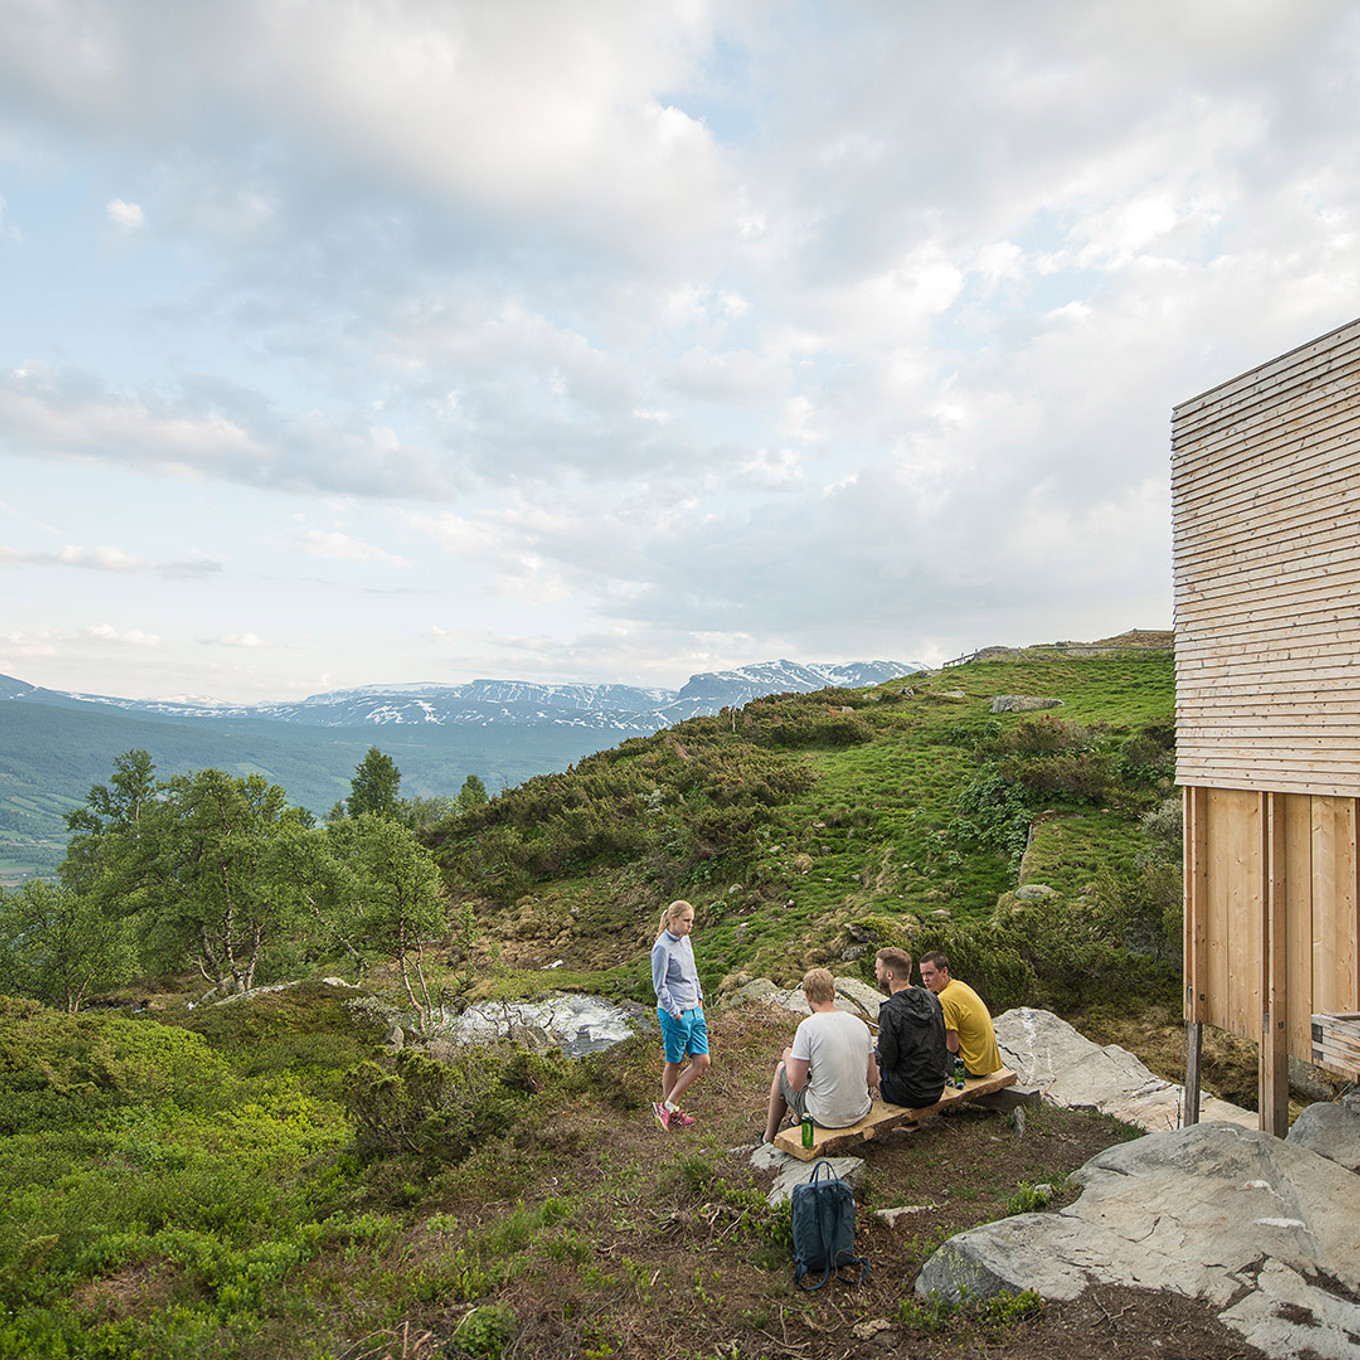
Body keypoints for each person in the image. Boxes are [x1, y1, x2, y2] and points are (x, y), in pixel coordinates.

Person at [763, 968, 878, 1144]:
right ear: (833, 992)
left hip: (824, 1117)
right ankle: (795, 1121)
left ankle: (768, 1137)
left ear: (807, 995)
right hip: (860, 1111)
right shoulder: (859, 1024)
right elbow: (872, 1079)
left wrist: (788, 1059)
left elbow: (795, 1084)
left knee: (782, 1070)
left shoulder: (808, 1027)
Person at [650, 899, 710, 1131]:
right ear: (672, 919)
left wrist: (700, 999)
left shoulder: (686, 940)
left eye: (691, 921)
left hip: (694, 1010)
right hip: (675, 1014)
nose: (690, 926)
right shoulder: (661, 947)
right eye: (686, 921)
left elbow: (693, 972)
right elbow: (660, 986)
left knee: (702, 1061)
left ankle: (666, 1106)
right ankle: (671, 1112)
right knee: (674, 1062)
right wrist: (676, 1014)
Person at [873, 947, 948, 1107]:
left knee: (868, 1060)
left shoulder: (890, 1010)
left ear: (889, 975)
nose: (875, 973)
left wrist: (874, 1053)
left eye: (878, 969)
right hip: (936, 1087)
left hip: (908, 1093)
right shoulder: (931, 998)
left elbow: (888, 1061)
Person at [918, 950, 1003, 1077]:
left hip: (969, 1068)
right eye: (923, 974)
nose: (925, 979)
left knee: (919, 1052)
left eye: (930, 974)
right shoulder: (958, 985)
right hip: (986, 1064)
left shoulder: (945, 999)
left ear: (944, 972)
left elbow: (952, 1047)